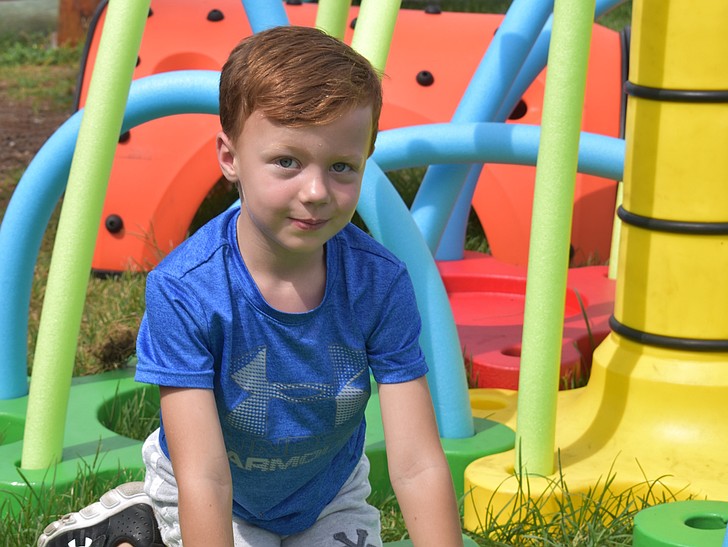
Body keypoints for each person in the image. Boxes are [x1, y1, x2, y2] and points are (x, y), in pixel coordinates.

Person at [39, 24, 464, 547]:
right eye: (287, 161)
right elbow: (206, 477)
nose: (316, 191)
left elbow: (417, 464)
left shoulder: (379, 283)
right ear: (229, 157)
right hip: (215, 490)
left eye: (341, 167)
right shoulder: (187, 290)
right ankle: (138, 522)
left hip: (327, 492)